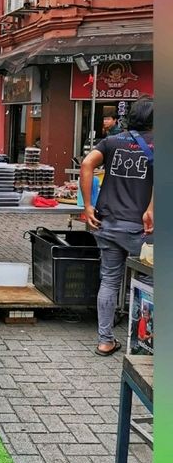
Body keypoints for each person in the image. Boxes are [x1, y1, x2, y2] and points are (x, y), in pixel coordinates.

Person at [80, 96, 153, 356]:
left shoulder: (112, 141)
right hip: (141, 229)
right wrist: (152, 208)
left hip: (108, 222)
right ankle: (146, 342)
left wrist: (88, 205)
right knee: (151, 280)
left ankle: (105, 340)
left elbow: (87, 163)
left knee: (110, 280)